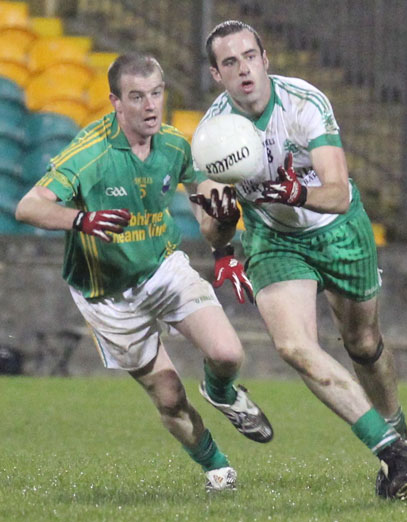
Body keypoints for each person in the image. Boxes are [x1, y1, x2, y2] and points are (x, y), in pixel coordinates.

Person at [190, 20, 407, 500]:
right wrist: (221, 221)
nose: (244, 69)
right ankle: (392, 452)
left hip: (338, 231)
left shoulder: (305, 103)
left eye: (250, 56)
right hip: (274, 240)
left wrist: (299, 190)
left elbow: (338, 194)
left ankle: (397, 434)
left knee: (362, 343)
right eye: (230, 62)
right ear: (217, 74)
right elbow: (213, 229)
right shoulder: (212, 133)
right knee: (294, 346)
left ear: (265, 59)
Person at [15, 52, 273, 492]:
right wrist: (81, 220)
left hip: (163, 268)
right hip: (107, 294)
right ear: (116, 102)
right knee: (169, 396)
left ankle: (222, 392)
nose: (150, 106)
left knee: (228, 354)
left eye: (156, 93)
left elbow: (206, 193)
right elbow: (28, 206)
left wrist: (225, 246)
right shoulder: (91, 152)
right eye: (137, 97)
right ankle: (216, 466)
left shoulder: (175, 145)